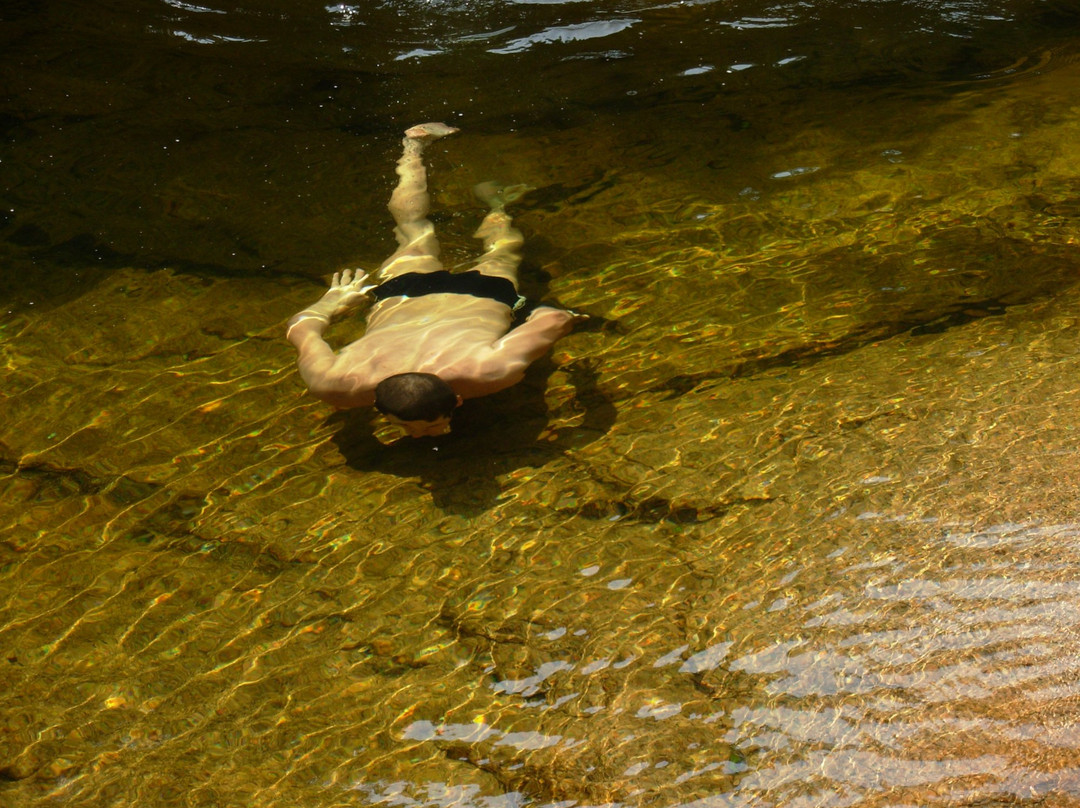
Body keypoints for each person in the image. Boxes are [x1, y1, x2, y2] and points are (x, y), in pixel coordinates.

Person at [286, 122, 585, 438]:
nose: (419, 434)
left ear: (458, 399)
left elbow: (554, 318)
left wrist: (333, 301)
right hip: (407, 294)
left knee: (498, 249)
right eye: (404, 426)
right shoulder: (333, 383)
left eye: (431, 425)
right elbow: (303, 326)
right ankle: (432, 158)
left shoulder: (491, 371)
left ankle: (427, 157)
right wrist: (330, 303)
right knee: (415, 229)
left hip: (475, 296)